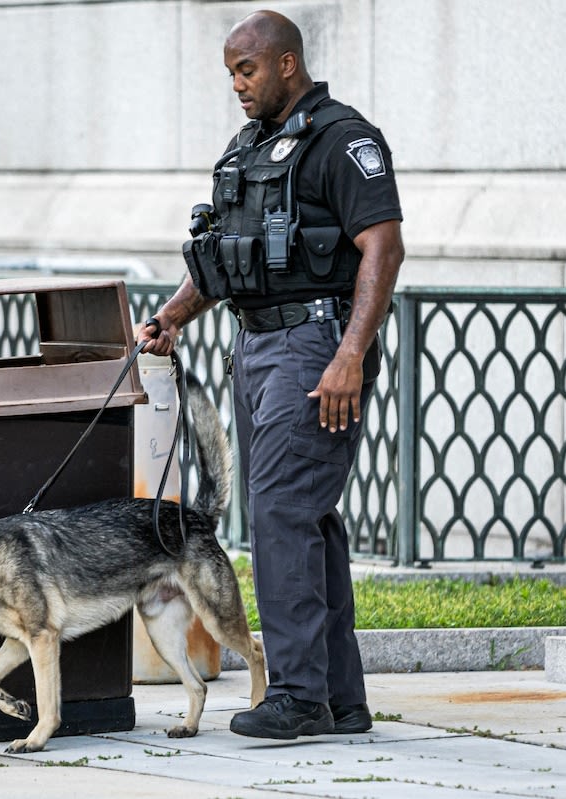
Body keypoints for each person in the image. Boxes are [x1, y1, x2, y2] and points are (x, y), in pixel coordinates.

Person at [137, 10, 404, 740]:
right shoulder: (248, 148)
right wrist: (174, 316)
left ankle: (296, 696)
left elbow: (383, 247)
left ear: (287, 64)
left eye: (246, 70)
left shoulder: (343, 139)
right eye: (230, 73)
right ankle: (339, 698)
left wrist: (351, 352)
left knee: (284, 512)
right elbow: (226, 255)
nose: (236, 85)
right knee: (305, 518)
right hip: (255, 346)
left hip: (316, 346)